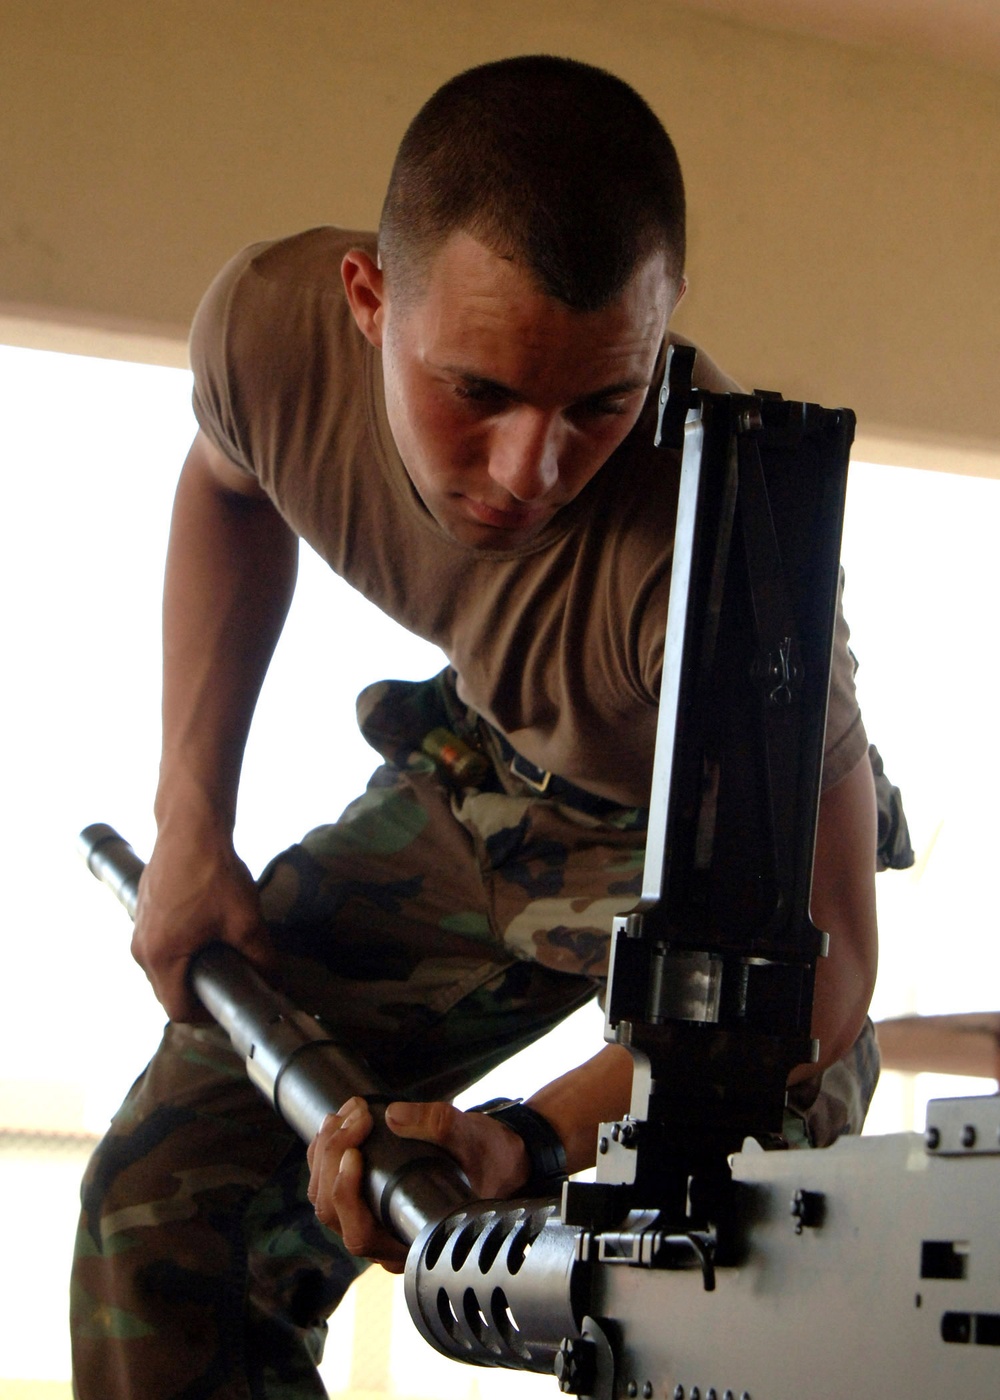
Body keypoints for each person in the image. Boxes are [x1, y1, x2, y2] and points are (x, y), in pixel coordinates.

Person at [71, 55, 878, 1397]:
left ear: (661, 343)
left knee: (722, 1250)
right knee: (163, 1207)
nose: (534, 472)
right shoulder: (268, 331)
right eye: (482, 395)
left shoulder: (720, 561)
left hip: (719, 847)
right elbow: (227, 490)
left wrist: (523, 1142)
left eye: (600, 407)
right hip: (486, 771)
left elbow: (825, 976)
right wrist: (189, 824)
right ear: (367, 303)